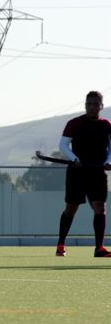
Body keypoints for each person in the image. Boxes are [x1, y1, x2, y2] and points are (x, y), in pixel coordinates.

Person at [53, 91, 111, 257]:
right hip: (77, 173)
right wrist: (74, 158)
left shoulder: (107, 125)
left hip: (97, 173)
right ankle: (60, 244)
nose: (92, 107)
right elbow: (63, 145)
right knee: (71, 209)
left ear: (101, 105)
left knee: (100, 208)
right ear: (85, 105)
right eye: (89, 104)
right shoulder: (75, 123)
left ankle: (99, 248)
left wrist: (108, 161)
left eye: (95, 104)